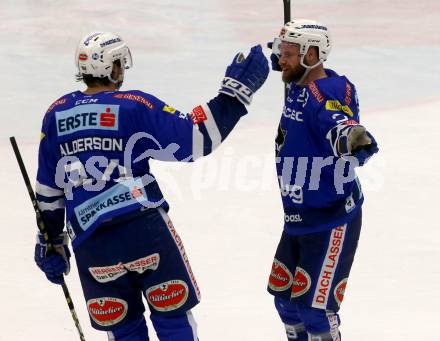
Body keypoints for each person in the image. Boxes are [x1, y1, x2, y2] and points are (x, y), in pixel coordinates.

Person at [34, 31, 268, 341]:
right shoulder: (133, 106)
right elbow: (195, 138)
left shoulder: (56, 113)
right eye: (120, 63)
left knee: (124, 330)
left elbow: (48, 191)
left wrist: (50, 242)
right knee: (173, 321)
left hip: (92, 243)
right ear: (112, 67)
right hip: (143, 231)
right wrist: (234, 94)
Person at [266, 20, 379, 340]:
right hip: (298, 218)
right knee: (286, 301)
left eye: (287, 54)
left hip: (330, 218)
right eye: (281, 52)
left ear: (313, 54)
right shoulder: (299, 84)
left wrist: (350, 138)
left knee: (315, 310)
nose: (281, 60)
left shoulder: (325, 90)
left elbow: (338, 119)